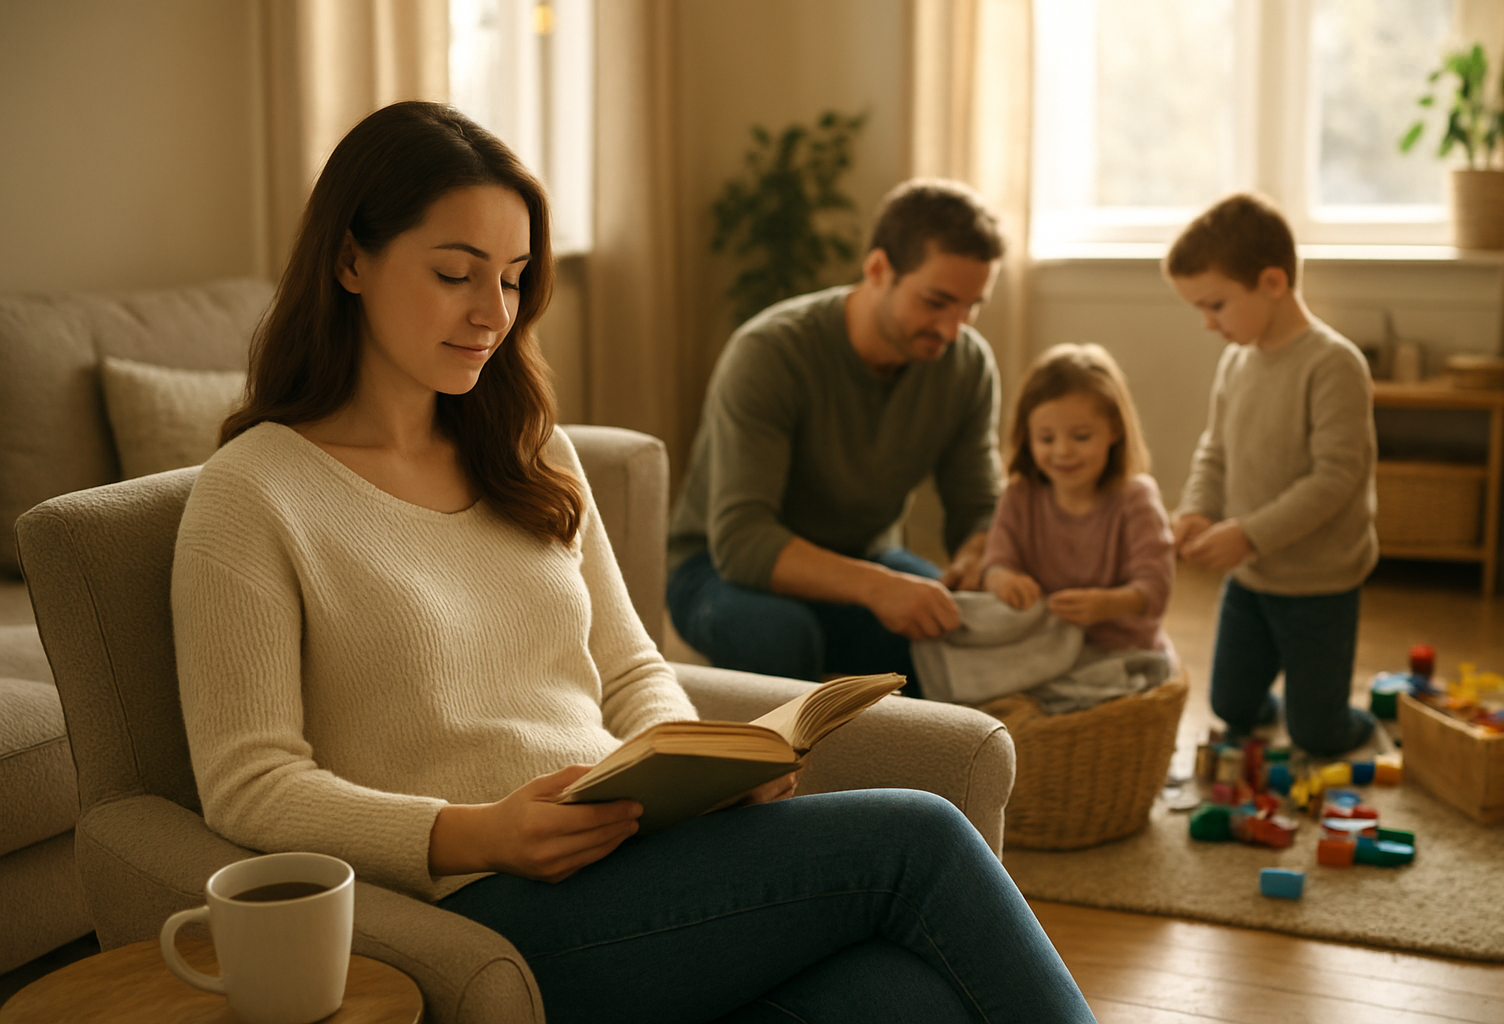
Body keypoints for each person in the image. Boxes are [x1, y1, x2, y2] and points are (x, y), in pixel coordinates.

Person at [171, 101, 1095, 1024]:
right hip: (484, 904)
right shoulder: (255, 491)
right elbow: (251, 784)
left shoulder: (532, 452)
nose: (492, 313)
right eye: (455, 273)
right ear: (350, 261)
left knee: (907, 998)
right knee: (922, 837)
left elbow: (630, 668)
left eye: (513, 279)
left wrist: (702, 775)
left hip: (639, 864)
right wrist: (477, 833)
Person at [667, 180, 1007, 693]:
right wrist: (878, 588)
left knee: (954, 627)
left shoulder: (966, 365)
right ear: (878, 269)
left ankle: (909, 750)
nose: (952, 330)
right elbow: (743, 542)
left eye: (970, 307)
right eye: (936, 302)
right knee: (780, 635)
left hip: (864, 557)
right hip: (716, 568)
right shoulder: (771, 352)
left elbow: (978, 506)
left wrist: (976, 556)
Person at [1164, 192, 1378, 757]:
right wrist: (1197, 509)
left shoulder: (1334, 364)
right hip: (1252, 577)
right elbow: (1215, 450)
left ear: (1273, 282)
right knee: (1231, 706)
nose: (1208, 323)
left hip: (1319, 583)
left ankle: (1362, 720)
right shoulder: (1237, 360)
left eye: (1216, 305)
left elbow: (1335, 480)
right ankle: (1304, 703)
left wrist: (1248, 534)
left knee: (1318, 735)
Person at [980, 343, 1175, 660]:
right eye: (1046, 438)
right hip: (1039, 644)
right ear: (1027, 436)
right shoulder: (1019, 495)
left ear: (1114, 429)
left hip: (1123, 650)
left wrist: (1108, 605)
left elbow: (1156, 589)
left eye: (1081, 436)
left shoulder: (1136, 498)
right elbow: (995, 563)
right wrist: (1003, 580)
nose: (1063, 451)